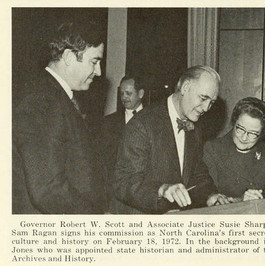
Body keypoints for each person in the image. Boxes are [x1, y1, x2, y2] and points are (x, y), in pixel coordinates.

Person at [12, 22, 106, 214]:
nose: (99, 72)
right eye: (94, 62)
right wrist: (94, 219)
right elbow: (47, 189)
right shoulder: (43, 100)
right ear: (69, 57)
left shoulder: (54, 95)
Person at [111, 65, 221, 214]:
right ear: (185, 87)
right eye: (203, 98)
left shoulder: (195, 127)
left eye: (212, 102)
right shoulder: (142, 124)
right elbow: (124, 183)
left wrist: (211, 196)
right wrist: (162, 190)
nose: (207, 108)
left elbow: (197, 173)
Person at [203, 97, 265, 206]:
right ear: (234, 122)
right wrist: (241, 200)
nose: (244, 137)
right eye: (240, 129)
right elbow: (209, 198)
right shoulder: (213, 149)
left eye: (252, 133)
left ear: (262, 134)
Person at [100, 74, 145, 206]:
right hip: (115, 192)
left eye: (128, 93)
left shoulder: (153, 120)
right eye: (121, 93)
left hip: (143, 190)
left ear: (141, 93)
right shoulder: (108, 122)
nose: (124, 97)